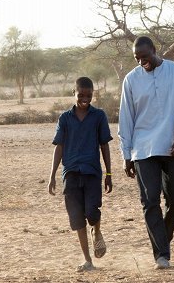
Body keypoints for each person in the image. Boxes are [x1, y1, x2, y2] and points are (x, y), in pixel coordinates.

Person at [118, 36, 174, 270]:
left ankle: (162, 240)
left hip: (173, 147)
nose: (142, 62)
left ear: (154, 50)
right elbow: (126, 118)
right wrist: (126, 154)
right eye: (137, 58)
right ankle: (161, 254)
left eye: (145, 56)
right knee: (150, 201)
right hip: (143, 149)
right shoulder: (131, 80)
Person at [48, 76, 113, 272]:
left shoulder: (99, 116)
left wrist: (109, 173)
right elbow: (59, 147)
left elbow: (104, 145)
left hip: (92, 172)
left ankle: (97, 231)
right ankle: (88, 260)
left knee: (92, 212)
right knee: (77, 218)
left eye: (89, 95)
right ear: (73, 93)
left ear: (93, 94)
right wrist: (52, 175)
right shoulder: (65, 118)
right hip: (71, 174)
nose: (85, 98)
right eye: (81, 95)